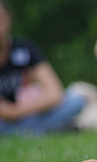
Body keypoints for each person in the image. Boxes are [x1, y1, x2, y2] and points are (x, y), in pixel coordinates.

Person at [0, 0, 86, 135]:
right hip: (3, 123)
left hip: (30, 114)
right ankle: (39, 132)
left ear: (8, 18)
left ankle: (28, 133)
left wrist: (16, 111)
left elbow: (55, 93)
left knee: (77, 101)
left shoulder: (25, 49)